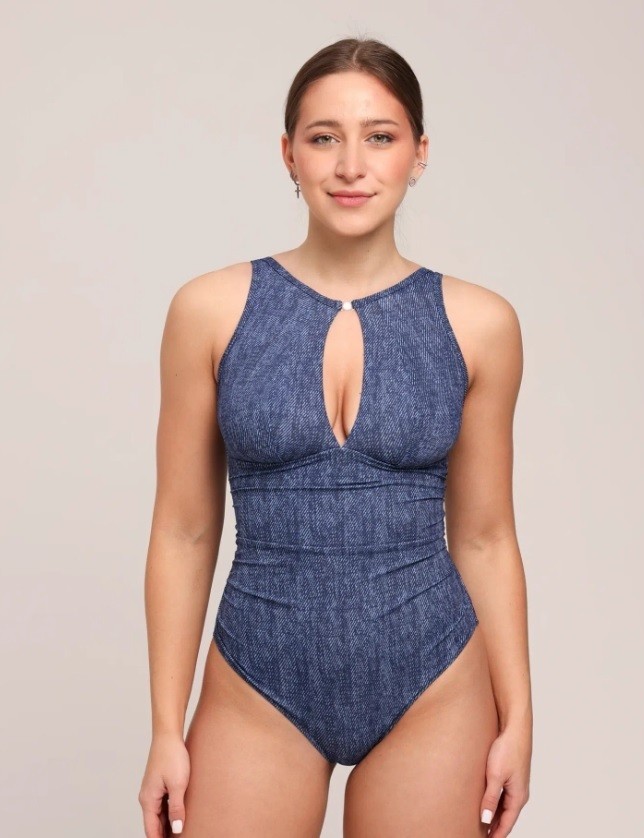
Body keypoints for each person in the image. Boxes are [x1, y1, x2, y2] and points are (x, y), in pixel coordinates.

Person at [138, 36, 532, 838]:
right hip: (256, 680)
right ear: (288, 153)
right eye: (324, 137)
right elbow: (182, 530)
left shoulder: (480, 324)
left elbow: (486, 536)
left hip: (435, 681)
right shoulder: (209, 311)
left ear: (418, 153)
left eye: (379, 137)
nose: (351, 165)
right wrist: (164, 729)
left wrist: (518, 717)